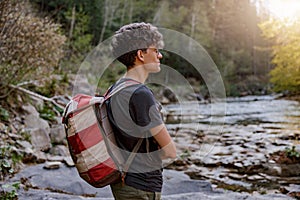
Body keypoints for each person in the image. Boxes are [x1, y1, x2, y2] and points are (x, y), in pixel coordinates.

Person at [107, 22, 177, 200]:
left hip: (121, 182)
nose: (160, 55)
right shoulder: (141, 94)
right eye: (155, 50)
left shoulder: (114, 89)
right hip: (142, 186)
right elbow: (170, 151)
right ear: (141, 54)